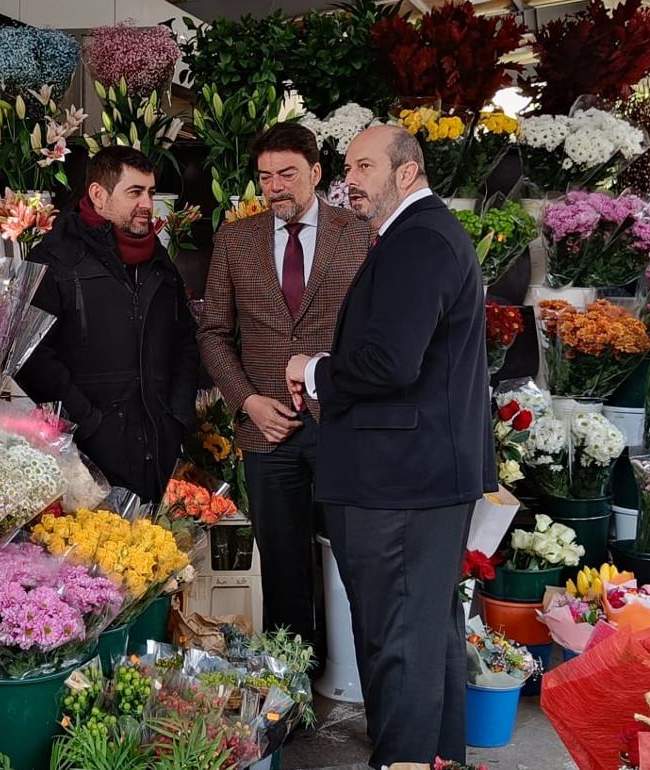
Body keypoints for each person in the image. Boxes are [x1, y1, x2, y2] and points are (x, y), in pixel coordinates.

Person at [284, 125, 495, 767]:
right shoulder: (415, 236)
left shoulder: (421, 239)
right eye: (347, 165)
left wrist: (314, 369)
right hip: (411, 477)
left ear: (407, 173)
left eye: (364, 165)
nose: (351, 178)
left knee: (398, 645)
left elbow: (390, 362)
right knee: (425, 637)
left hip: (402, 484)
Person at [198, 123, 371, 647]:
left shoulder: (361, 233)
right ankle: (292, 688)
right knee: (282, 564)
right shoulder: (235, 239)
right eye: (265, 176)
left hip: (345, 423)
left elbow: (377, 330)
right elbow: (212, 333)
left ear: (316, 174)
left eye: (288, 174)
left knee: (360, 556)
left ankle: (369, 679)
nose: (275, 186)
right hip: (267, 430)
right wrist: (248, 402)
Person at [15, 146, 200, 501]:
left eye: (150, 192)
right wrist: (88, 422)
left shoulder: (160, 266)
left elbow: (185, 345)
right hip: (82, 458)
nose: (147, 203)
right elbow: (32, 353)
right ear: (99, 195)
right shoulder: (55, 259)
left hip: (156, 452)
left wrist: (176, 418)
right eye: (135, 192)